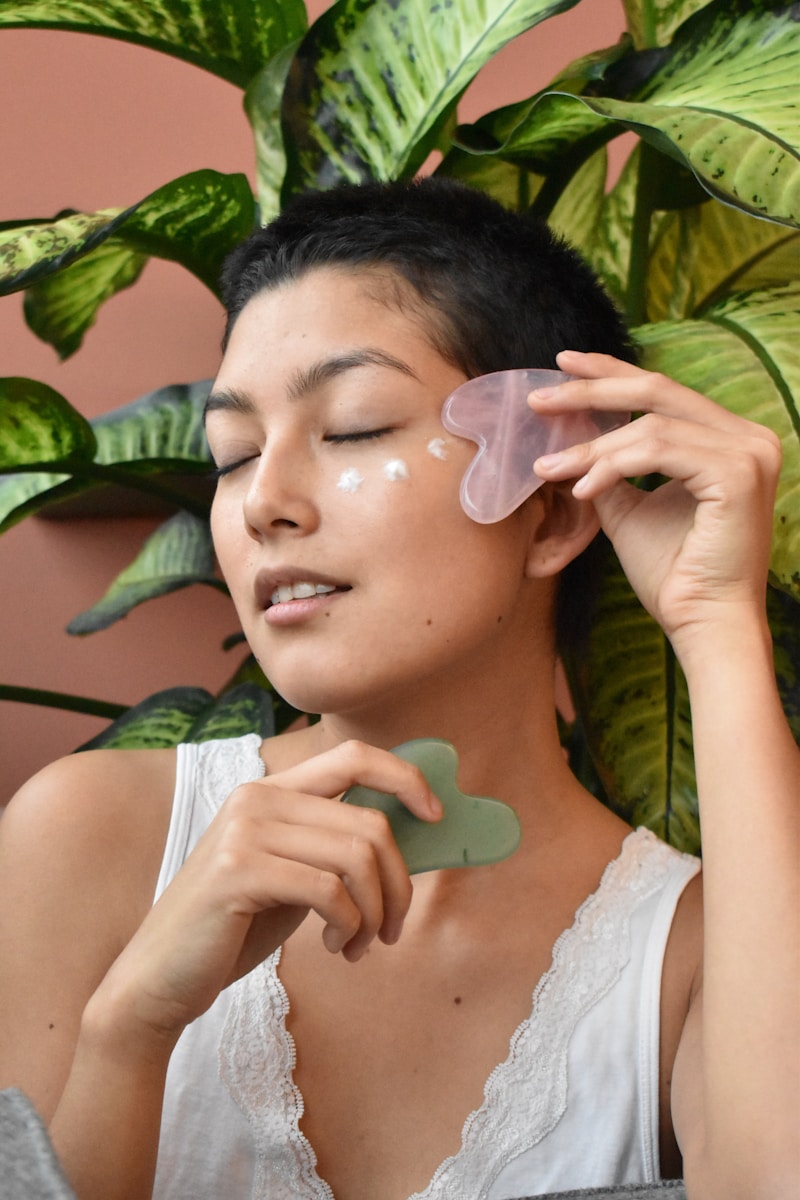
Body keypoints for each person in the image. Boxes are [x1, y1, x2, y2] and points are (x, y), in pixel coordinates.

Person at [0, 178, 796, 1200]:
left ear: (550, 514)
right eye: (234, 455)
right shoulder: (87, 838)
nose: (263, 506)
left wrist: (714, 619)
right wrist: (133, 1025)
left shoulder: (682, 952)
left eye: (355, 427)